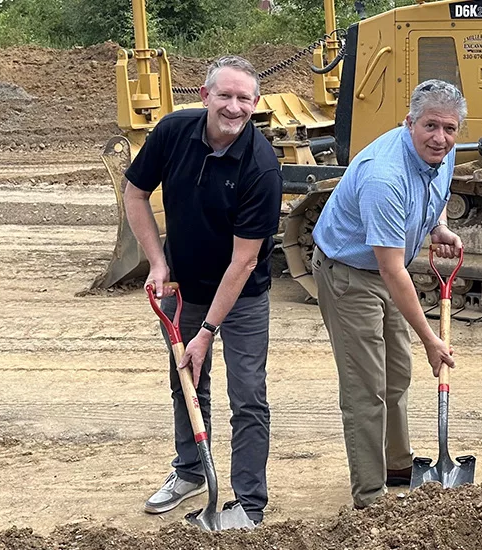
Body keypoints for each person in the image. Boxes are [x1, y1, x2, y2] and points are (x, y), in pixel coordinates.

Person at [123, 55, 282, 524]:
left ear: (256, 103)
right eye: (225, 95)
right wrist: (157, 261)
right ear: (205, 95)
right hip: (185, 288)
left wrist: (208, 331)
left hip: (243, 295)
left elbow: (244, 260)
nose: (234, 107)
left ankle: (248, 503)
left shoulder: (261, 167)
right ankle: (191, 471)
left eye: (244, 98)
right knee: (187, 382)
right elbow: (135, 194)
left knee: (248, 396)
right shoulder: (173, 132)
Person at [310, 79, 466, 509]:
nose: (440, 138)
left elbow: (437, 190)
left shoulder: (443, 152)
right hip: (349, 275)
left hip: (385, 268)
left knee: (397, 373)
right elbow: (392, 270)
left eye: (449, 129)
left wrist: (437, 226)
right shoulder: (385, 176)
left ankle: (397, 466)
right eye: (430, 126)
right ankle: (370, 497)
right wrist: (430, 339)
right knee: (366, 389)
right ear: (409, 122)